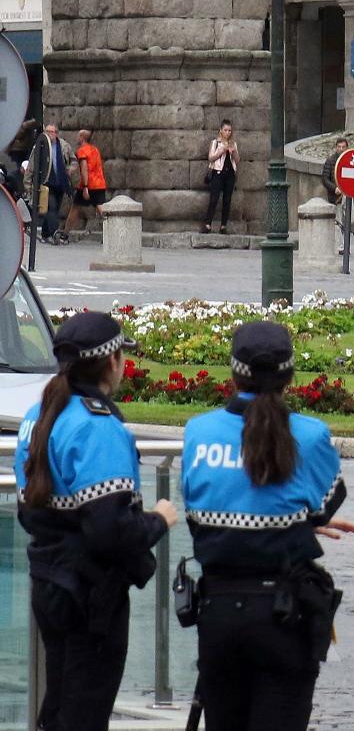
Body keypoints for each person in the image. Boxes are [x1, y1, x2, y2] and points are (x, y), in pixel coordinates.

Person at [181, 321, 354, 731]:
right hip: (284, 616)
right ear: (290, 376)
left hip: (217, 613)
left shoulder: (198, 432)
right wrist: (295, 524)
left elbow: (197, 514)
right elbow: (327, 504)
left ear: (233, 373)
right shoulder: (310, 436)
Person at [13, 311, 178, 731]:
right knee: (84, 712)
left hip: (48, 581)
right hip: (91, 595)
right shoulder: (99, 428)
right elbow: (110, 531)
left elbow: (28, 511)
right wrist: (158, 520)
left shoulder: (39, 417)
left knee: (59, 708)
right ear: (112, 363)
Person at [23, 123, 80, 245]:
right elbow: (31, 166)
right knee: (51, 207)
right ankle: (54, 233)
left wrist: (70, 169)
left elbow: (74, 160)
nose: (49, 134)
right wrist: (28, 184)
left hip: (60, 183)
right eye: (47, 131)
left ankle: (45, 234)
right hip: (46, 183)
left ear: (56, 133)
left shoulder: (64, 146)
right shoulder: (39, 146)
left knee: (54, 209)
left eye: (51, 132)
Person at [65, 129, 107, 234]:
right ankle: (112, 230)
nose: (76, 138)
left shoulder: (82, 151)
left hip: (89, 184)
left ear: (82, 137)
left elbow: (84, 169)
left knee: (75, 208)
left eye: (78, 136)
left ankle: (65, 233)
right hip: (100, 183)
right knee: (101, 208)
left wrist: (85, 187)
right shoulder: (95, 150)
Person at [204, 119, 240, 235]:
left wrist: (233, 151)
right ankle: (207, 224)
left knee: (227, 199)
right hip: (218, 173)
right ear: (221, 130)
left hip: (230, 174)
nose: (228, 132)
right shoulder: (215, 142)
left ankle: (223, 226)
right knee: (214, 198)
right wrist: (222, 150)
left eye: (229, 130)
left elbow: (237, 160)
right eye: (225, 130)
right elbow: (210, 158)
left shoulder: (233, 143)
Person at [321, 137, 350, 253]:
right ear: (336, 147)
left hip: (348, 195)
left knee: (347, 220)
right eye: (339, 147)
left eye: (343, 147)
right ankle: (340, 246)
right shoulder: (330, 161)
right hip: (336, 196)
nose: (341, 149)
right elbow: (325, 178)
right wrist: (335, 188)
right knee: (338, 221)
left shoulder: (349, 160)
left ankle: (344, 244)